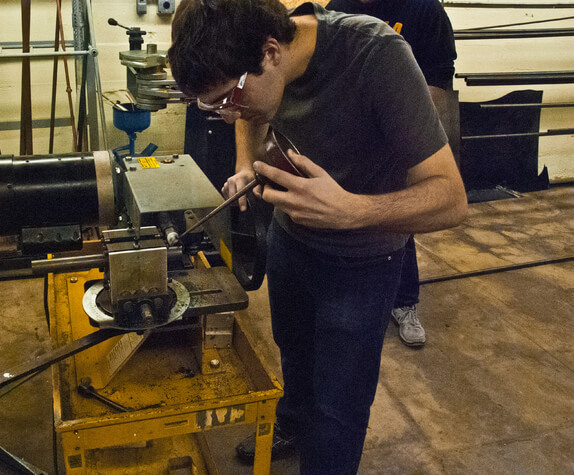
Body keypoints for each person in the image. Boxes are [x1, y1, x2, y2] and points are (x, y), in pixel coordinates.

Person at [168, 0, 467, 472]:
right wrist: (244, 163)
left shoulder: (375, 56)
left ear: (270, 52)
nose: (227, 114)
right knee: (295, 354)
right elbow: (250, 111)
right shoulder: (261, 68)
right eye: (214, 104)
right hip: (292, 241)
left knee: (337, 412)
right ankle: (291, 424)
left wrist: (352, 210)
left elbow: (451, 199)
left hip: (363, 263)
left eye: (228, 97)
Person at [325, 0, 458, 348]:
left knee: (398, 217)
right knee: (347, 212)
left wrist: (410, 135)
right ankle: (347, 294)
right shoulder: (338, 6)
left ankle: (404, 302)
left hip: (401, 130)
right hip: (352, 132)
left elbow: (438, 83)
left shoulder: (423, 11)